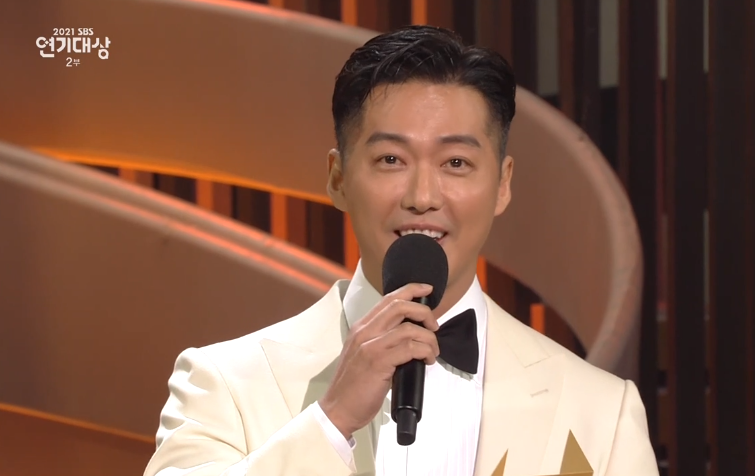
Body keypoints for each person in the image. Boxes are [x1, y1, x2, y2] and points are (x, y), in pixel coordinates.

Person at [144, 25, 658, 476]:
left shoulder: (602, 412)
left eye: (456, 163)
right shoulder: (224, 381)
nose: (423, 197)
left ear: (503, 184)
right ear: (338, 178)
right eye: (391, 159)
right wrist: (332, 420)